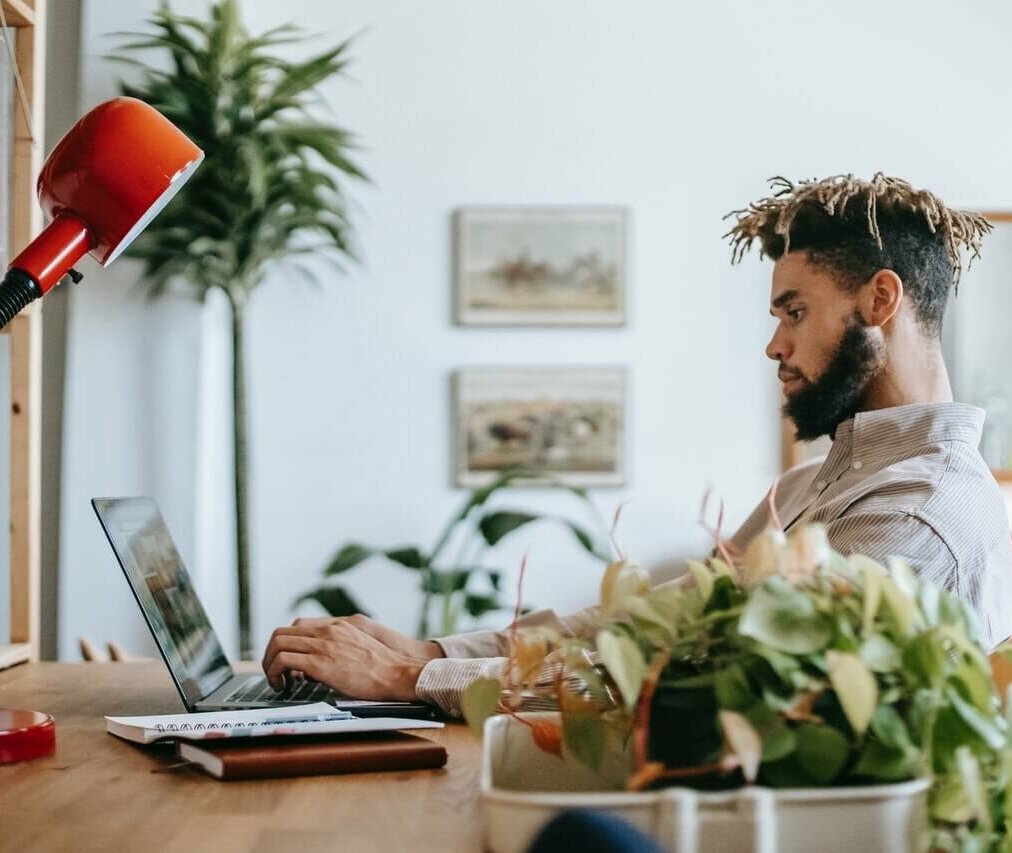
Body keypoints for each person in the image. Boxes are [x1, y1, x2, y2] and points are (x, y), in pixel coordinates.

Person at [262, 173, 1012, 716]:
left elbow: (700, 684)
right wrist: (431, 655)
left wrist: (407, 680)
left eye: (793, 310)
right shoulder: (820, 479)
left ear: (880, 299)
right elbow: (648, 625)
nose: (773, 345)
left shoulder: (918, 514)